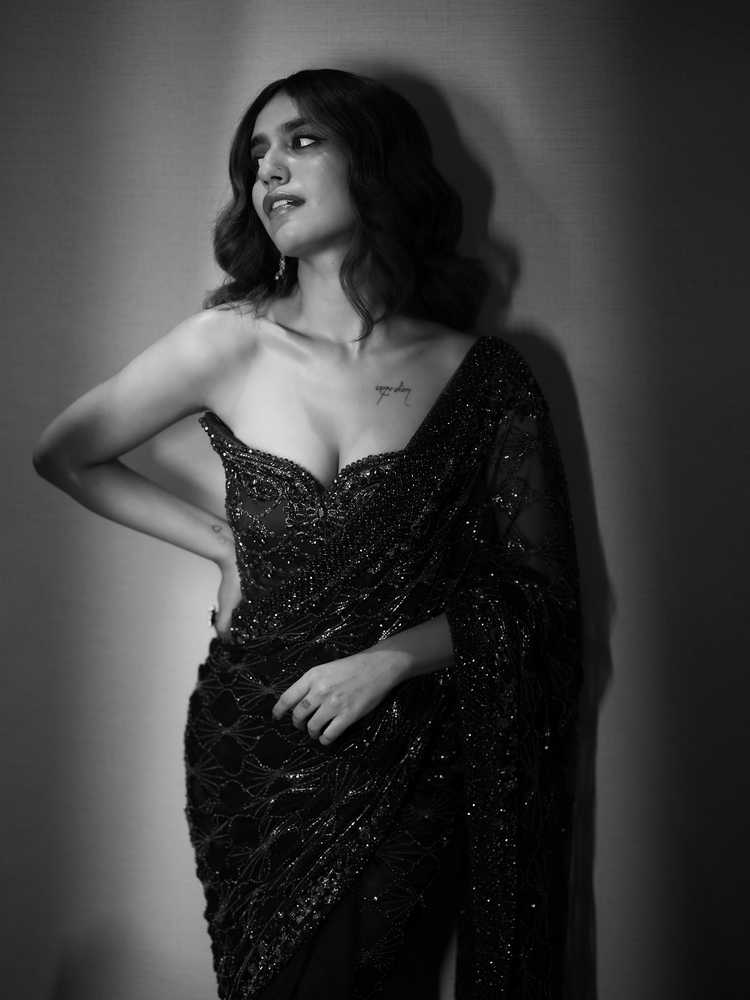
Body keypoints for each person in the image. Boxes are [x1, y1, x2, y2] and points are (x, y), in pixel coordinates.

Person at [33, 67, 582, 999]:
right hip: (251, 748)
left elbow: (542, 596)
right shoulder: (226, 342)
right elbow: (65, 453)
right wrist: (221, 543)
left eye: (301, 141)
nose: (269, 171)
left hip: (408, 752)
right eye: (256, 154)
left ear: (374, 162)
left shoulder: (481, 375)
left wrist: (392, 660)